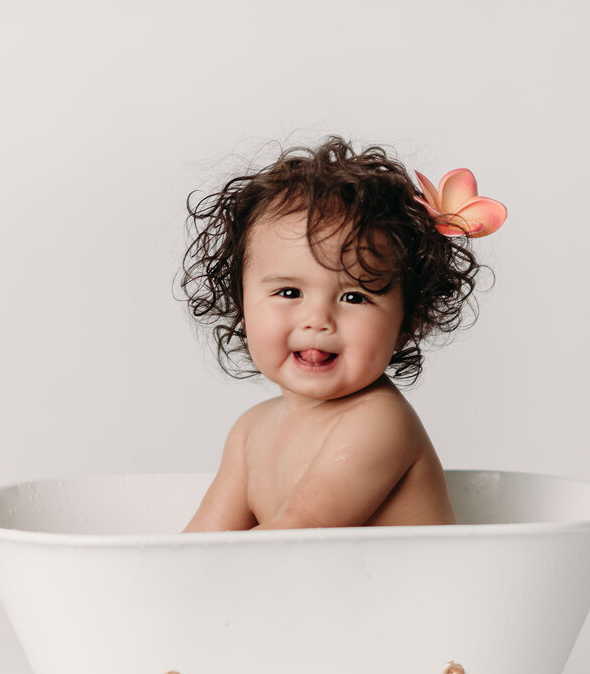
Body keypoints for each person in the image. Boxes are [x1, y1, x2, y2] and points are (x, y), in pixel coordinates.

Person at [180, 136, 505, 532]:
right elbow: (198, 546)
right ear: (242, 303)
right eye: (289, 292)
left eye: (354, 296)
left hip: (412, 595)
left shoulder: (377, 423)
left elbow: (290, 536)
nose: (318, 320)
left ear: (408, 323)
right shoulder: (249, 433)